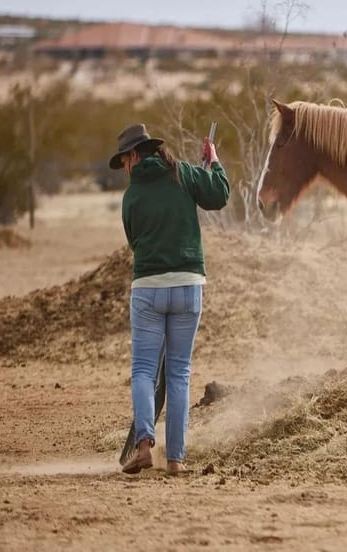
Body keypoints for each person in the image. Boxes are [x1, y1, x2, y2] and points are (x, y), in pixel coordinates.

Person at [109, 123, 229, 475]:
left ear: (133, 156)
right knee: (179, 373)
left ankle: (144, 445)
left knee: (144, 370)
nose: (125, 169)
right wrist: (215, 162)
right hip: (189, 285)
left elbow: (134, 241)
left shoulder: (131, 196)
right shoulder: (185, 174)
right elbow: (219, 195)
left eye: (124, 161)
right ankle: (175, 459)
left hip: (147, 288)